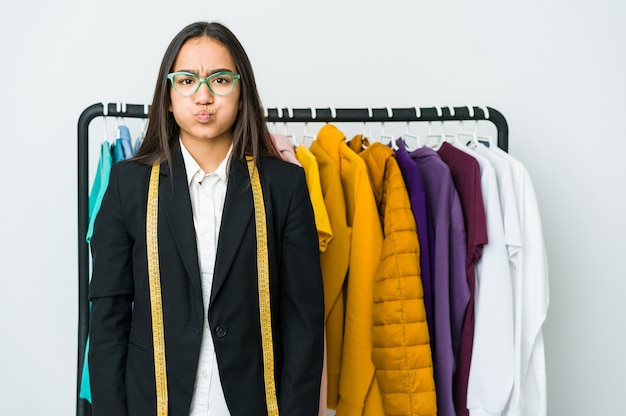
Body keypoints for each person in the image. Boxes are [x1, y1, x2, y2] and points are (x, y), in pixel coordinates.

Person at [88, 21, 324, 416]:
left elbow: (304, 323)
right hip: (158, 403)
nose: (203, 96)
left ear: (241, 89)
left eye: (219, 79)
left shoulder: (284, 185)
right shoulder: (128, 184)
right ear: (167, 95)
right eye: (186, 80)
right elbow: (108, 320)